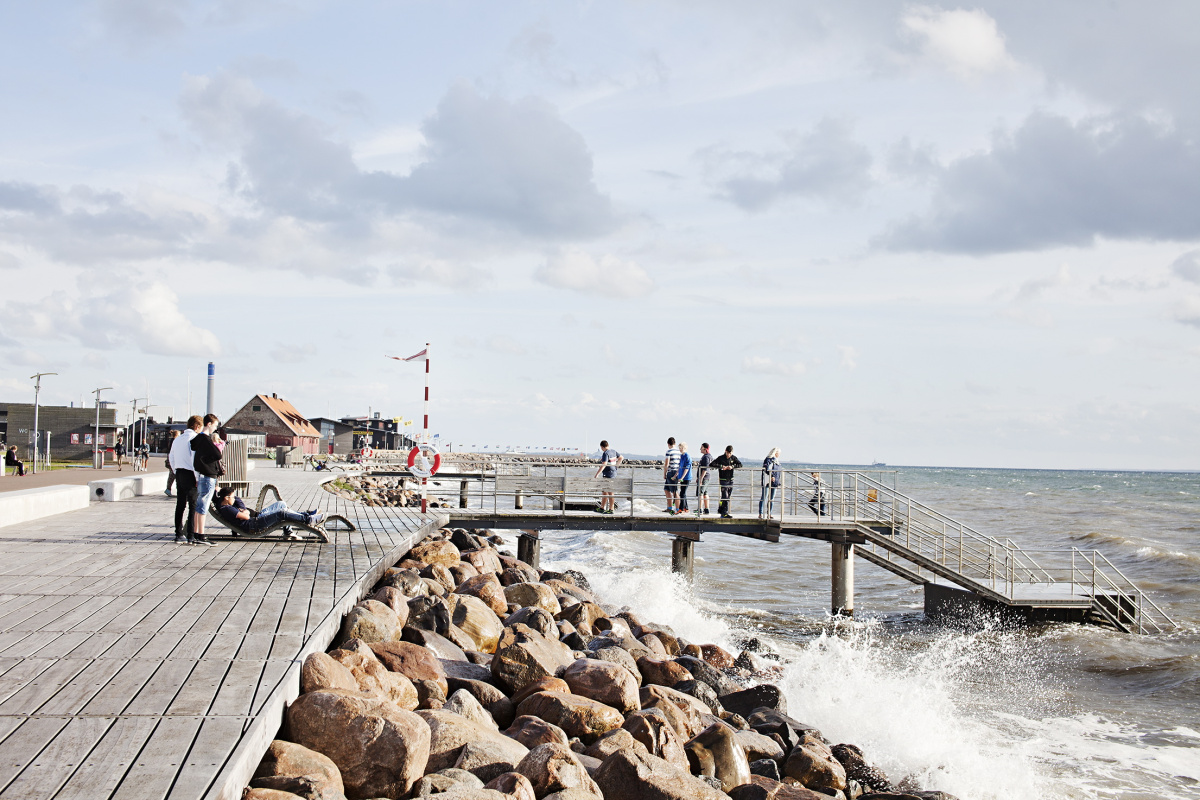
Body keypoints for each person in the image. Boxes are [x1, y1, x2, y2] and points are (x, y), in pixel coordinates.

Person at [215, 487, 324, 536]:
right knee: (282, 513)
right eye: (232, 497)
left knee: (281, 505)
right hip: (254, 525)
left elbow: (239, 504)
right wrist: (245, 512)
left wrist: (244, 510)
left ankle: (307, 516)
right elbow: (246, 517)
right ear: (226, 498)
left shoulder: (226, 503)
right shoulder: (227, 509)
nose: (234, 499)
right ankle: (308, 519)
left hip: (256, 520)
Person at [189, 414, 223, 547]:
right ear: (209, 424)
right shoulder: (206, 439)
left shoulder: (197, 439)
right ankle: (201, 535)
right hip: (209, 476)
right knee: (203, 505)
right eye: (215, 425)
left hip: (202, 475)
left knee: (199, 505)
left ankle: (197, 533)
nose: (215, 428)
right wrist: (207, 463)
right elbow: (217, 454)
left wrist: (202, 463)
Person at [170, 416, 202, 544]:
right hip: (190, 474)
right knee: (193, 505)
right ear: (197, 426)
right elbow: (194, 459)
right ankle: (190, 535)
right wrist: (197, 477)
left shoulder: (177, 440)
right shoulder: (194, 438)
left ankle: (178, 534)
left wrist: (176, 471)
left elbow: (171, 456)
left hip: (179, 473)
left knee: (180, 504)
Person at [710, 445, 742, 518]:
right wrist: (721, 466)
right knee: (725, 496)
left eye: (730, 453)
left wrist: (732, 466)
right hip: (723, 479)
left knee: (727, 496)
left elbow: (740, 464)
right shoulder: (721, 458)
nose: (728, 455)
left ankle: (720, 508)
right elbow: (712, 464)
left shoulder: (733, 458)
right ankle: (725, 513)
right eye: (727, 453)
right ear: (725, 451)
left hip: (730, 479)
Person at [593, 440, 623, 514]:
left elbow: (604, 464)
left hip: (608, 474)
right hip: (613, 473)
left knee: (610, 492)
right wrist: (616, 466)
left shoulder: (605, 453)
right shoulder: (613, 451)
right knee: (604, 492)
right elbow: (621, 458)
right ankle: (602, 507)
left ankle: (611, 509)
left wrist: (597, 474)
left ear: (602, 447)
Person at [759, 448, 782, 519]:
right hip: (767, 481)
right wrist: (771, 476)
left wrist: (778, 482)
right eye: (778, 453)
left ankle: (769, 513)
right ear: (775, 453)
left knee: (772, 498)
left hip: (775, 482)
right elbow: (766, 468)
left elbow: (778, 472)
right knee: (764, 497)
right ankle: (761, 513)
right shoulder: (768, 459)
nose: (779, 454)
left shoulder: (777, 461)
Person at [662, 437, 681, 513]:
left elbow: (667, 463)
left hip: (671, 472)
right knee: (666, 489)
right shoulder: (679, 451)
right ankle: (669, 508)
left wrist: (664, 473)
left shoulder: (669, 451)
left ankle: (677, 509)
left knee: (674, 491)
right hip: (677, 471)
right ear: (675, 443)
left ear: (668, 444)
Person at [695, 443, 713, 515]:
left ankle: (700, 509)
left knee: (700, 493)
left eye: (701, 447)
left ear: (705, 449)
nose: (700, 449)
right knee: (705, 492)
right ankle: (706, 509)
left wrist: (700, 479)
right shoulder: (707, 456)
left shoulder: (706, 457)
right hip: (706, 477)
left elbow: (705, 469)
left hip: (704, 477)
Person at [677, 442, 693, 513]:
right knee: (683, 493)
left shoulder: (687, 456)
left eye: (682, 448)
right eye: (680, 448)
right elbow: (679, 467)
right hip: (682, 477)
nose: (680, 449)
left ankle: (681, 509)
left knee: (682, 493)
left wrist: (682, 477)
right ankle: (686, 508)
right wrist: (676, 476)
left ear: (685, 448)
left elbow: (687, 468)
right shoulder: (681, 456)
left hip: (687, 478)